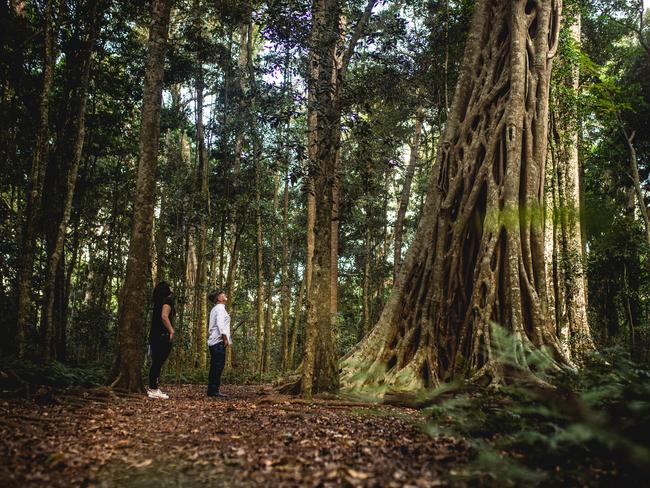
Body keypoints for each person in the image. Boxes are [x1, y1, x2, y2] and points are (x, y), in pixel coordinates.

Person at [147, 281, 175, 399]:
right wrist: (171, 331)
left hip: (154, 335)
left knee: (156, 362)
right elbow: (164, 316)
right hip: (162, 335)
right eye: (170, 286)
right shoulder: (168, 300)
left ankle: (153, 387)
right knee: (158, 362)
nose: (171, 287)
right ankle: (153, 389)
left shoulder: (157, 301)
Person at [207, 290, 231, 397]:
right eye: (222, 294)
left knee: (215, 366)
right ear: (218, 298)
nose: (224, 295)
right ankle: (213, 390)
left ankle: (212, 390)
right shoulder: (220, 308)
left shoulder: (217, 309)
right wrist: (225, 338)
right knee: (218, 366)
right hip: (218, 342)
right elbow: (221, 325)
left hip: (214, 341)